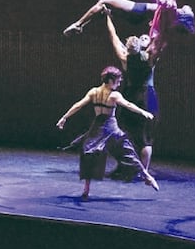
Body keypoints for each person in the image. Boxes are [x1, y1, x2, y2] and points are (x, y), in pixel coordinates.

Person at [57, 66, 159, 199]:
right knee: (126, 152)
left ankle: (87, 189)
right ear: (110, 80)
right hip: (110, 129)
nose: (120, 82)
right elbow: (127, 105)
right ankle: (146, 176)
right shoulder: (114, 95)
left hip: (97, 128)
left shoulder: (94, 92)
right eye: (118, 80)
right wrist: (143, 112)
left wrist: (64, 117)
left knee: (89, 153)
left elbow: (78, 105)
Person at [102, 8, 160, 178]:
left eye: (145, 37)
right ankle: (142, 171)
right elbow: (160, 39)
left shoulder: (125, 57)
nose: (144, 36)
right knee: (145, 138)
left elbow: (113, 37)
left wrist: (108, 18)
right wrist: (158, 23)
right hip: (149, 97)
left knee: (123, 132)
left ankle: (127, 166)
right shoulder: (151, 57)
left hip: (130, 94)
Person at [63, 0, 195, 43]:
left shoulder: (172, 7)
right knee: (104, 10)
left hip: (138, 10)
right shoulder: (170, 24)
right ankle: (84, 24)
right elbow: (155, 30)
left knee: (104, 1)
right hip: (137, 19)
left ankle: (78, 24)